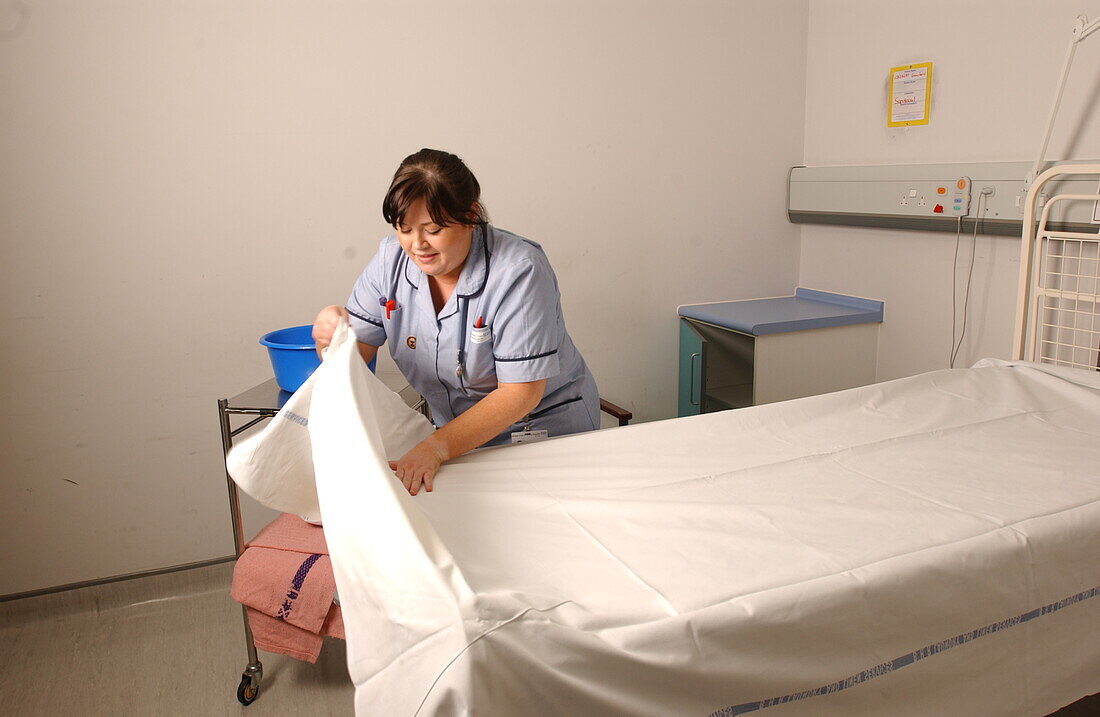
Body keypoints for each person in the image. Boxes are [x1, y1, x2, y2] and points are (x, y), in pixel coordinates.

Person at [313, 149, 599, 496]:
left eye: (433, 229)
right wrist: (332, 340)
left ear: (470, 215)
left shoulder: (518, 270)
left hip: (540, 432)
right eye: (404, 229)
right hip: (451, 439)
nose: (417, 245)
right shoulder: (390, 261)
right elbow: (354, 359)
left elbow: (520, 392)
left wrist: (435, 448)